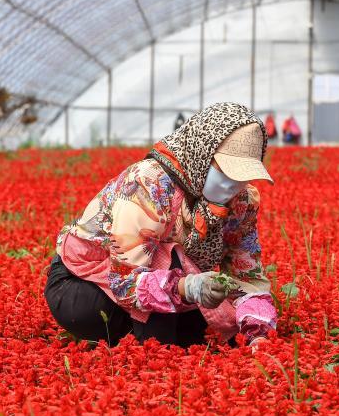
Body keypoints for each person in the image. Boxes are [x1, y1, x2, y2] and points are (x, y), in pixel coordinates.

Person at [45, 103, 276, 349]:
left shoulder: (242, 202)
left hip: (172, 284)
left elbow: (247, 275)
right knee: (169, 264)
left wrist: (257, 333)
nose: (234, 185)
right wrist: (187, 287)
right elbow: (124, 282)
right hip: (86, 288)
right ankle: (152, 347)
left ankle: (149, 336)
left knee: (210, 333)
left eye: (243, 175)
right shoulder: (149, 184)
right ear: (202, 154)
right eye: (226, 171)